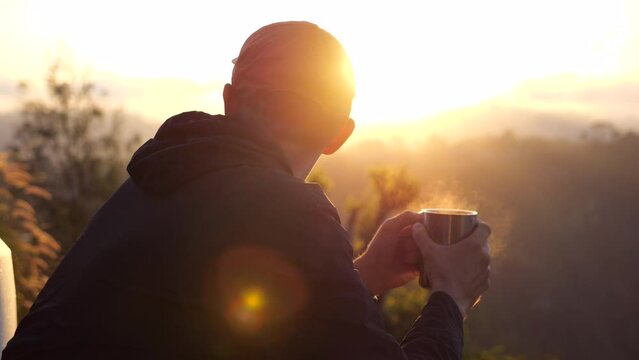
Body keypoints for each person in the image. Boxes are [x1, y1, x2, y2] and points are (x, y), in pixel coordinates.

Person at [2, 21, 491, 359]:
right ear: (340, 134)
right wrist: (450, 294)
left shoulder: (153, 182)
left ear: (230, 100)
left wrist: (363, 274)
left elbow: (229, 319)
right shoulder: (288, 209)